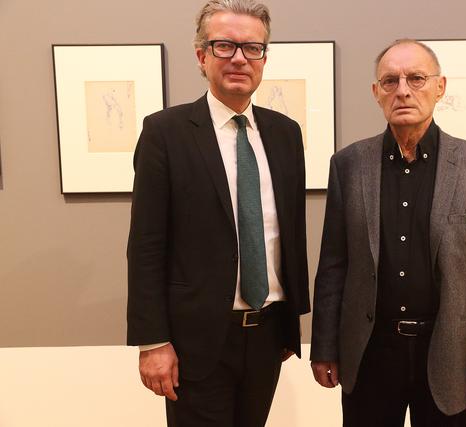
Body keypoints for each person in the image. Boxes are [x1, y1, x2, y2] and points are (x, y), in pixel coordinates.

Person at [310, 39, 466, 427]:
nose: (402, 90)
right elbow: (333, 266)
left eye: (416, 78)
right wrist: (324, 348)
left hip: (448, 354)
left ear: (440, 87)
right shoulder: (348, 165)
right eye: (390, 81)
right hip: (369, 353)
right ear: (376, 92)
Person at [126, 1, 309, 426]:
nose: (240, 58)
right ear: (201, 56)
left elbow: (290, 232)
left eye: (253, 48)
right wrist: (153, 341)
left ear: (264, 57)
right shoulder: (165, 133)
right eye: (224, 46)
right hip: (197, 340)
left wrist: (290, 326)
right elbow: (147, 245)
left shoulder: (285, 134)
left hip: (268, 334)